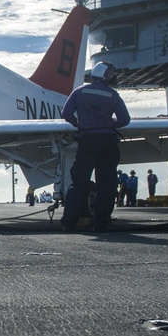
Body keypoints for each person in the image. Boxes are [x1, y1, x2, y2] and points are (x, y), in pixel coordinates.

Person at [60, 61, 130, 232]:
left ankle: (69, 223)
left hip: (87, 141)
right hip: (108, 141)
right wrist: (109, 123)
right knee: (106, 184)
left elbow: (66, 113)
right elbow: (124, 120)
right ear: (109, 77)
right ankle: (101, 223)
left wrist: (80, 123)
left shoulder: (79, 91)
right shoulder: (113, 95)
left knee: (78, 183)